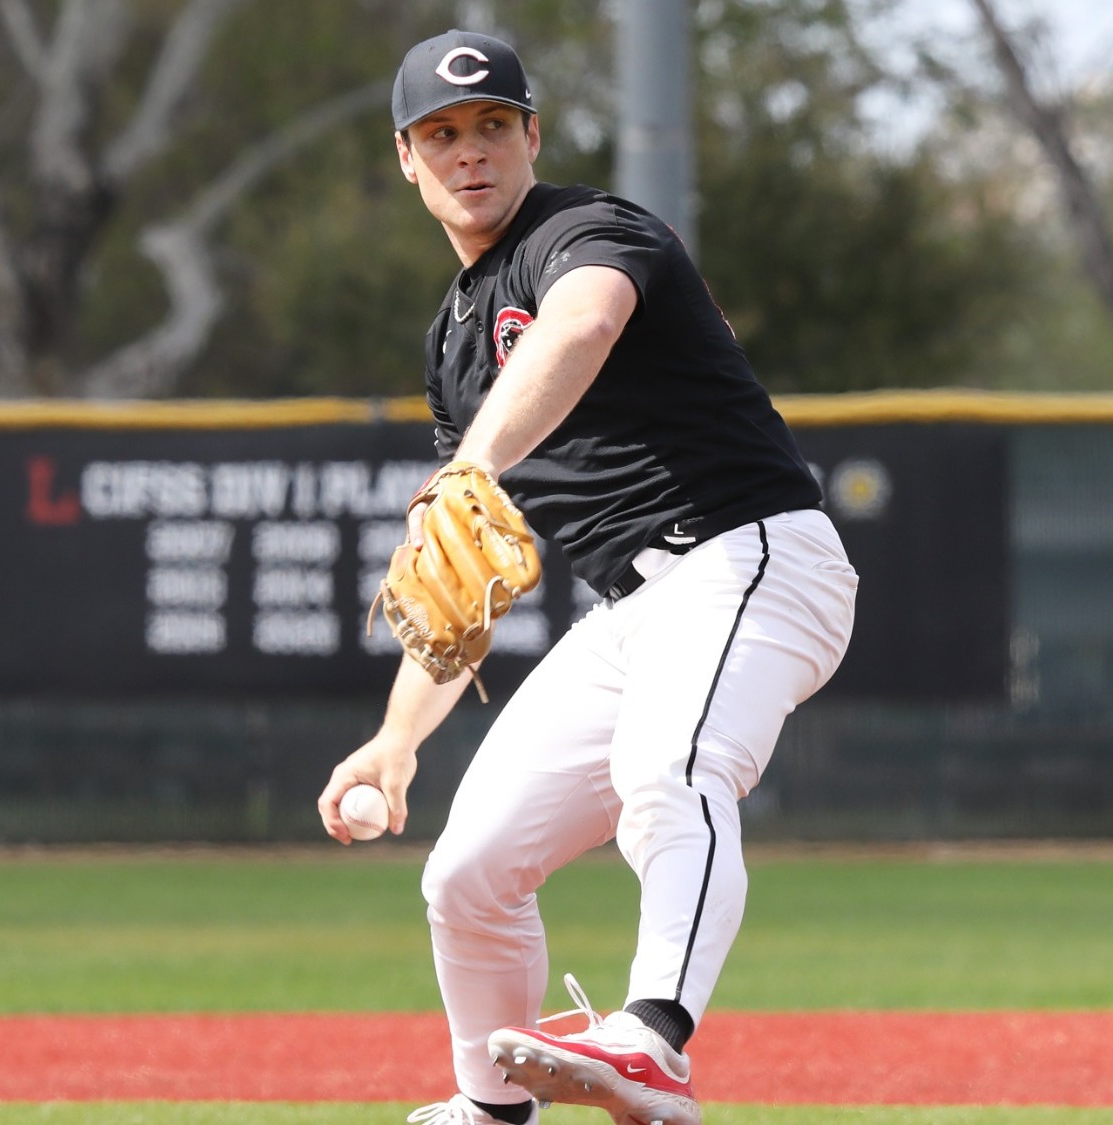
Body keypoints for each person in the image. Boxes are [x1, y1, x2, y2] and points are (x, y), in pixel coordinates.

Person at [317, 29, 857, 1125]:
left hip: (747, 554)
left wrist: (473, 457)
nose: (468, 152)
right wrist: (395, 738)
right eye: (440, 134)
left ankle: (653, 1038)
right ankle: (491, 1108)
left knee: (671, 769)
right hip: (635, 612)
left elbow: (586, 321)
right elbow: (460, 566)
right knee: (466, 870)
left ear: (529, 136)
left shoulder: (587, 230)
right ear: (406, 160)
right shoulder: (453, 342)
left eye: (490, 127)